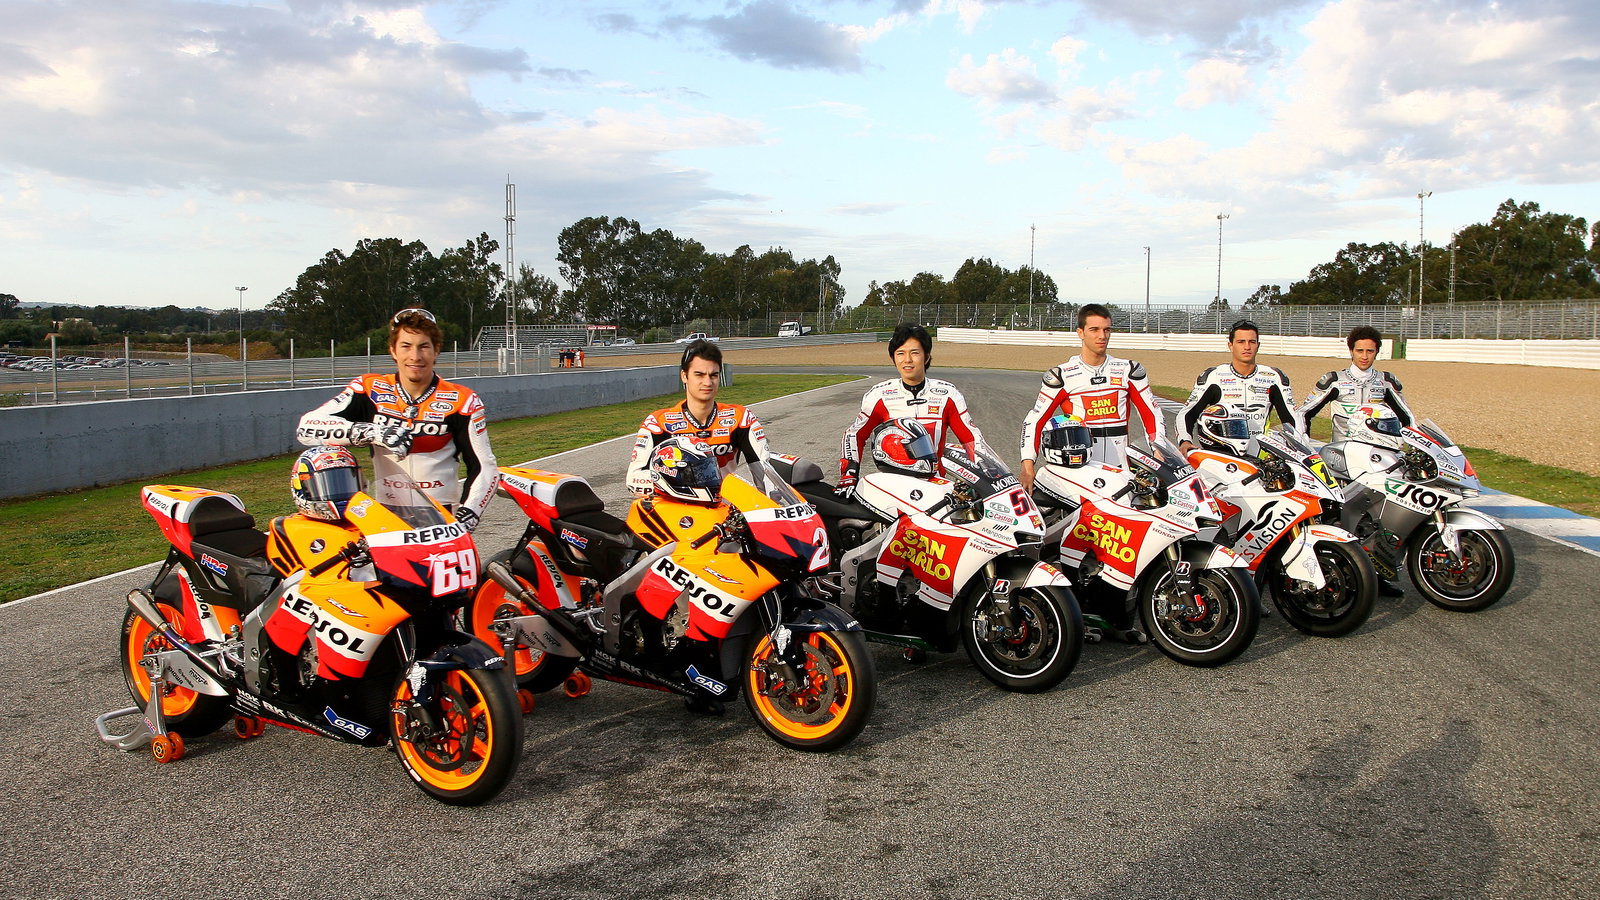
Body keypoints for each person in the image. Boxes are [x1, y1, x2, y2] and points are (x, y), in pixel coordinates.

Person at [297, 308, 498, 532]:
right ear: (393, 350)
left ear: (436, 351)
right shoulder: (368, 388)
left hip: (442, 518)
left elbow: (484, 467)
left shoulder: (462, 399)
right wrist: (372, 432)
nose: (415, 356)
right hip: (384, 516)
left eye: (423, 346)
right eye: (406, 346)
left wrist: (468, 515)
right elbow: (306, 427)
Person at [1018, 303, 1166, 493]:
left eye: (1107, 330)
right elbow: (1034, 420)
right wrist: (1027, 466)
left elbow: (1151, 413)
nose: (1102, 336)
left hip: (1121, 468)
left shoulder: (1128, 370)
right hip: (1081, 467)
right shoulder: (1061, 375)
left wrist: (1159, 450)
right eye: (1094, 330)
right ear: (1080, 333)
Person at [838, 323, 991, 497]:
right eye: (900, 353)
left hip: (937, 488)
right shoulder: (879, 395)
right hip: (895, 490)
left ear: (926, 357)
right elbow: (854, 434)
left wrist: (986, 473)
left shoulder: (948, 395)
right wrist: (849, 473)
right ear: (893, 358)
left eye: (915, 353)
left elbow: (971, 438)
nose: (907, 360)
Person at [625, 340, 770, 495]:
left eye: (713, 375)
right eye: (699, 375)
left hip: (726, 511)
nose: (707, 382)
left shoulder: (741, 418)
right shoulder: (658, 423)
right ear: (684, 376)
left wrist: (771, 509)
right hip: (675, 509)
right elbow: (634, 479)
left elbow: (766, 474)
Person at [1176, 319, 1296, 452]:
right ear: (1230, 346)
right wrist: (1185, 441)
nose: (1247, 347)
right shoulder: (1214, 377)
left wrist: (1298, 448)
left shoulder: (1274, 378)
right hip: (1222, 458)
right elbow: (1187, 414)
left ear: (1258, 345)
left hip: (1262, 460)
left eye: (1252, 342)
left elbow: (1292, 419)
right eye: (1241, 342)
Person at [1293, 325, 1416, 443]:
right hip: (1342, 453)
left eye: (1370, 351)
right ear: (1351, 351)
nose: (1364, 356)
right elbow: (1303, 413)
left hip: (1376, 453)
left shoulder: (1386, 382)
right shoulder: (1334, 381)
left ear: (1377, 352)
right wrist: (1303, 443)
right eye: (1359, 351)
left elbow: (1408, 418)